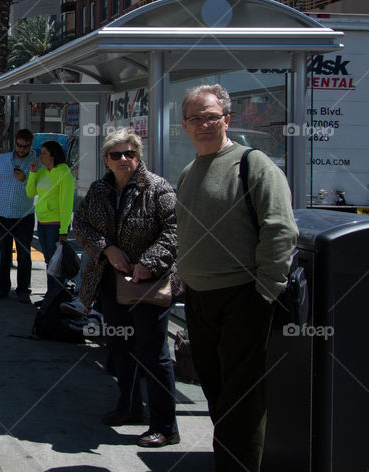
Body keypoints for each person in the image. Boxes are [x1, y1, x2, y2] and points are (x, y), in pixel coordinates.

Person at [175, 84, 297, 472]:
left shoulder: (253, 164)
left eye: (211, 116)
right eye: (196, 118)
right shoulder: (189, 172)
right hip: (199, 298)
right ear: (184, 125)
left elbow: (280, 228)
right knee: (216, 392)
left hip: (244, 298)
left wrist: (265, 292)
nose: (203, 124)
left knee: (241, 401)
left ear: (227, 119)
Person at [71, 128, 180, 448]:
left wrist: (148, 262)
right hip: (110, 281)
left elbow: (175, 230)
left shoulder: (157, 188)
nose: (123, 160)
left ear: (138, 155)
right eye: (116, 154)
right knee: (120, 348)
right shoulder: (99, 189)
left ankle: (165, 425)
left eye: (129, 153)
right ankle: (129, 407)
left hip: (150, 283)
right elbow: (81, 224)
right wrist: (106, 249)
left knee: (153, 353)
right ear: (106, 159)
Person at [0, 128, 37, 303]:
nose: (21, 149)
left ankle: (23, 290)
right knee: (3, 253)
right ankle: (1, 288)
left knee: (24, 254)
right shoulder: (2, 159)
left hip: (24, 216)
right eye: (19, 145)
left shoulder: (35, 163)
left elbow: (38, 189)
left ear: (30, 146)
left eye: (25, 146)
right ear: (15, 142)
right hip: (1, 215)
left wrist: (25, 179)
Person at [26, 140, 75, 284]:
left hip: (56, 224)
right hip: (42, 222)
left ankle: (57, 295)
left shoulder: (64, 173)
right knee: (49, 261)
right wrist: (33, 173)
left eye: (44, 153)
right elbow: (30, 192)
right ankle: (51, 295)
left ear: (53, 155)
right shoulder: (41, 172)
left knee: (56, 263)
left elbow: (66, 203)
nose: (41, 156)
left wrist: (64, 230)